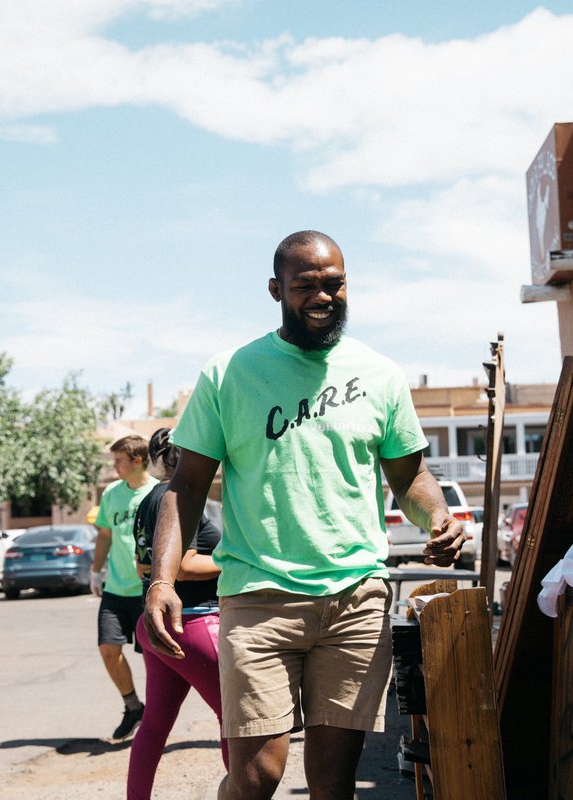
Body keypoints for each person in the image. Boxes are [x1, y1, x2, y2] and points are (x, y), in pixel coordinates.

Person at [144, 230, 467, 800]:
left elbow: (409, 477)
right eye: (305, 286)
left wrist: (437, 517)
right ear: (275, 290)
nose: (323, 296)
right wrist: (162, 579)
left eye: (335, 283)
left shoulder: (380, 374)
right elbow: (187, 483)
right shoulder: (230, 373)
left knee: (333, 782)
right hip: (257, 598)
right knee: (256, 776)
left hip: (355, 600)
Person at [127, 427, 227, 800]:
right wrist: (232, 559)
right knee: (235, 719)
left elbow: (142, 567)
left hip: (153, 626)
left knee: (154, 725)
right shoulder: (182, 499)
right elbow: (183, 566)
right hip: (193, 622)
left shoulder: (148, 501)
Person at [92, 434, 159, 741]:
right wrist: (95, 571)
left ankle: (157, 717)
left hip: (148, 589)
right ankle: (133, 706)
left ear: (137, 460)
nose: (115, 466)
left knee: (154, 659)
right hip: (116, 589)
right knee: (108, 649)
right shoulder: (111, 494)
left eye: (119, 460)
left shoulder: (158, 493)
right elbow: (105, 535)